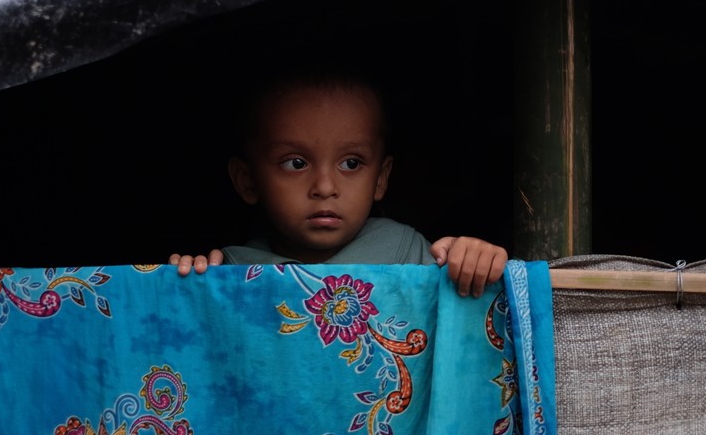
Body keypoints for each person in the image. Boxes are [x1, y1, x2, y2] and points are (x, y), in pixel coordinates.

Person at [170, 65, 508, 298]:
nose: (325, 187)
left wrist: (473, 261)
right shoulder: (230, 269)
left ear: (381, 178)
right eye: (296, 163)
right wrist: (182, 283)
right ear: (247, 181)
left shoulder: (407, 251)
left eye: (351, 163)